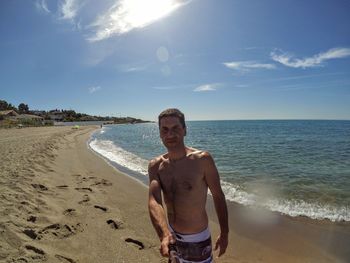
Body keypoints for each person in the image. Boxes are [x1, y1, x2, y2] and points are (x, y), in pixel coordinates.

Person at [148, 108, 229, 263]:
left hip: (197, 238)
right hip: (170, 235)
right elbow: (154, 200)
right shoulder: (155, 166)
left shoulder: (202, 160)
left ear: (184, 130)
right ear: (159, 133)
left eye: (175, 128)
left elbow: (218, 196)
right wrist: (164, 234)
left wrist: (225, 233)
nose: (170, 134)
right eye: (164, 130)